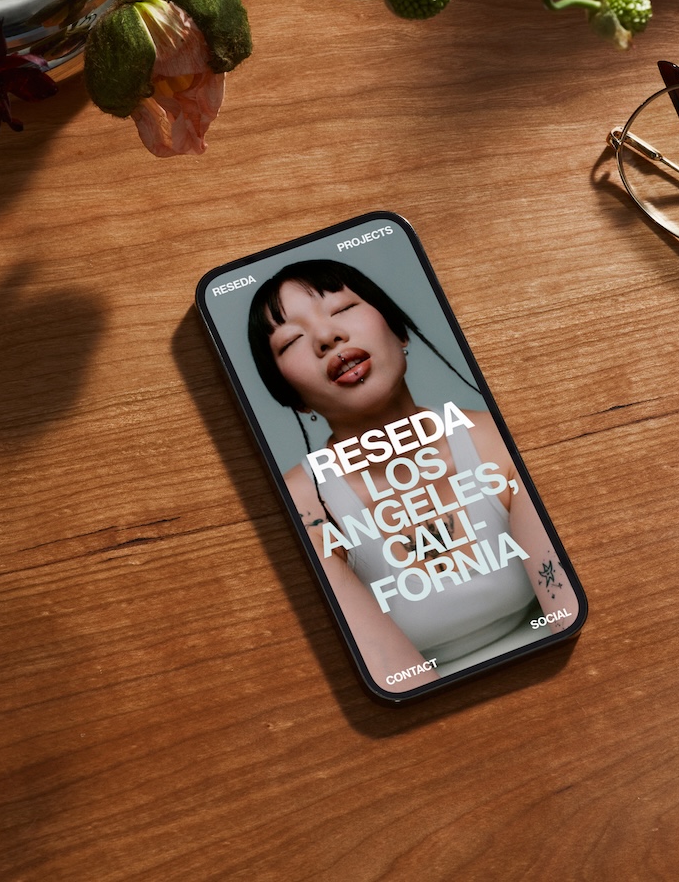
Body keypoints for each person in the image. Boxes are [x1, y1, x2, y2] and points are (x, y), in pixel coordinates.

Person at [247, 260, 579, 691]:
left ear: (399, 332)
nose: (327, 337)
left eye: (343, 308)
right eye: (291, 339)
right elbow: (399, 682)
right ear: (294, 399)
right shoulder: (303, 507)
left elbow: (569, 616)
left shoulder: (496, 441)